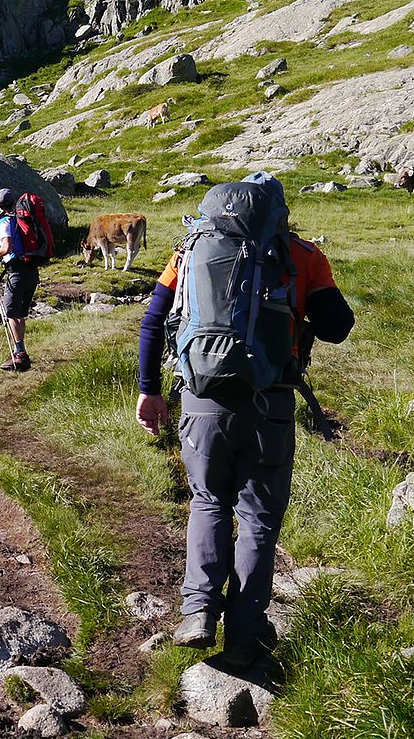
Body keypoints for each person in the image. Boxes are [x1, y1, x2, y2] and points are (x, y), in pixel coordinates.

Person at [135, 173, 354, 666]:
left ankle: (198, 612)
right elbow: (338, 327)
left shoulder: (189, 251)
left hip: (201, 399)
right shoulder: (304, 256)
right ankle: (246, 631)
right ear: (278, 213)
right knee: (258, 516)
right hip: (269, 404)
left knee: (208, 500)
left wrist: (150, 391)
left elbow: (153, 321)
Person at [0, 188, 38, 371]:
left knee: (10, 313)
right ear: (14, 203)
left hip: (17, 272)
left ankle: (20, 354)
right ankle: (21, 352)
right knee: (20, 314)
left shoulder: (4, 222)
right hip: (32, 270)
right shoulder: (23, 219)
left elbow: (6, 248)